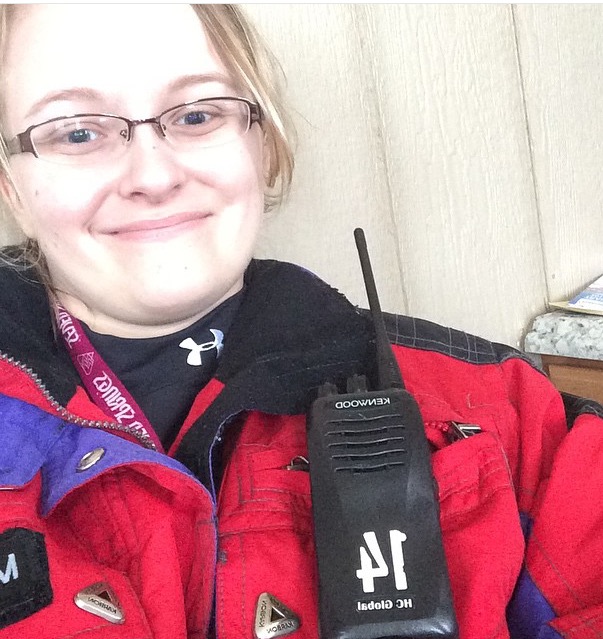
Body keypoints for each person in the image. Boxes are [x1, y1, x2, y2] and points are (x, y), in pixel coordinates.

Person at [0, 4, 601, 639]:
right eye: (76, 133)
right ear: (11, 185)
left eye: (198, 115)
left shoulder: (505, 416)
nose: (153, 175)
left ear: (263, 144)